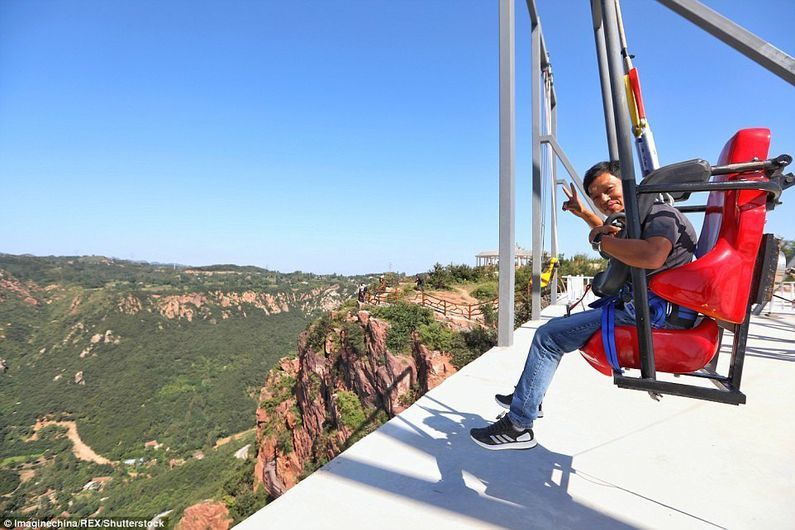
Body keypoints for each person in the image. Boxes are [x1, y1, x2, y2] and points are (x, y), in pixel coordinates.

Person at [469, 160, 698, 451]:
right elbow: (616, 235)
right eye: (596, 196)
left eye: (609, 189)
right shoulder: (640, 217)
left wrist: (602, 243)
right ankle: (526, 398)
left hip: (653, 315)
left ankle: (518, 424)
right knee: (555, 332)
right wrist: (587, 218)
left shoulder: (660, 214)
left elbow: (651, 255)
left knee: (549, 336)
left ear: (627, 186)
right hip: (647, 307)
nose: (604, 199)